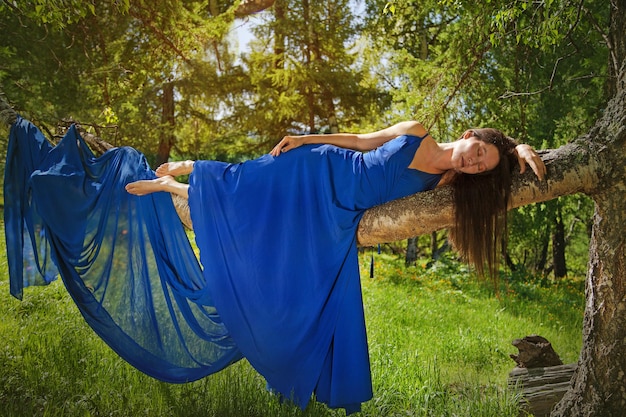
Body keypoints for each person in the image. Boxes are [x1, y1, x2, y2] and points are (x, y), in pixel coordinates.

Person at [124, 121, 545, 412]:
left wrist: (519, 150)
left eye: (482, 165)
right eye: (480, 151)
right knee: (250, 183)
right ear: (469, 135)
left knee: (279, 239)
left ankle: (173, 185)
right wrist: (306, 139)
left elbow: (510, 170)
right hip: (323, 166)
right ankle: (187, 172)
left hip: (339, 208)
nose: (474, 162)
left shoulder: (448, 183)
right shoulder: (417, 131)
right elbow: (363, 140)